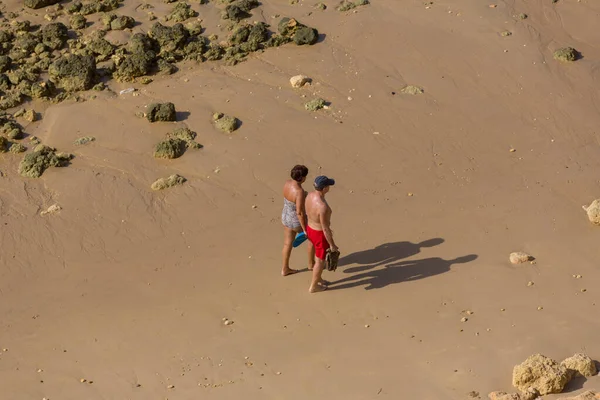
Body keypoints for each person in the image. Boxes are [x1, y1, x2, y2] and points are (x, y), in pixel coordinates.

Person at [305, 175, 338, 293]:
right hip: (320, 234)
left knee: (317, 257)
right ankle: (313, 286)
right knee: (320, 261)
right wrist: (332, 245)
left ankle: (318, 278)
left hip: (310, 229)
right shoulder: (322, 207)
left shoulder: (309, 195)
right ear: (324, 188)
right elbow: (325, 228)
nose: (329, 187)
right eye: (328, 185)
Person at [281, 165, 315, 276]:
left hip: (286, 216)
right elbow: (300, 212)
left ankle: (285, 269)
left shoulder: (287, 183)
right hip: (296, 221)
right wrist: (305, 229)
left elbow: (290, 199)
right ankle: (311, 264)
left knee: (287, 244)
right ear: (302, 178)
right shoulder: (299, 191)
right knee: (312, 239)